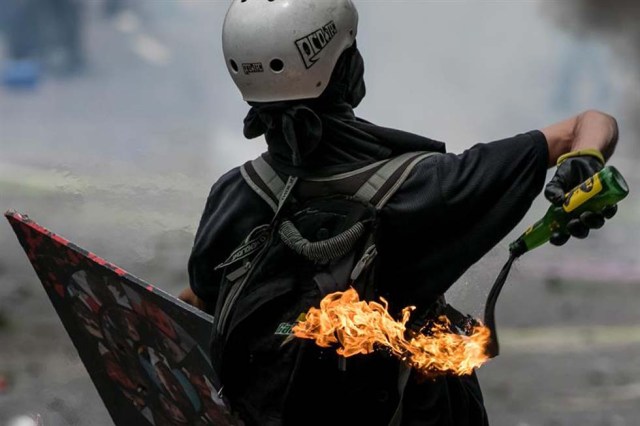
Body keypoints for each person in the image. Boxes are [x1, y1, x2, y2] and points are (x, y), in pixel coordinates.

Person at [178, 1, 619, 425]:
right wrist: (585, 164)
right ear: (344, 69)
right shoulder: (429, 188)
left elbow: (197, 304)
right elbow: (589, 125)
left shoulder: (234, 194)